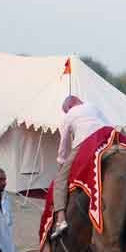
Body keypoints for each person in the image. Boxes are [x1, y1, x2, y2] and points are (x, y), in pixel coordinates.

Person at [51, 95, 110, 238]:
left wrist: (61, 164)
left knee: (59, 180)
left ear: (69, 107)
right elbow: (109, 125)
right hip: (107, 140)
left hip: (85, 144)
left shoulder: (68, 116)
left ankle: (60, 219)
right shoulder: (93, 106)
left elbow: (63, 148)